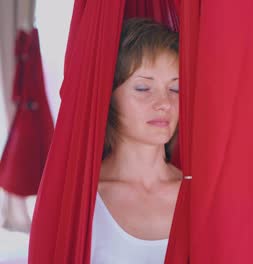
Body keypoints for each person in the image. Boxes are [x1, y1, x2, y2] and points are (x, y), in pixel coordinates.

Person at [91, 17, 181, 264]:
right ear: (108, 97)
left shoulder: (199, 195)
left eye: (175, 89)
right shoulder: (82, 198)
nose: (164, 103)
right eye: (143, 88)